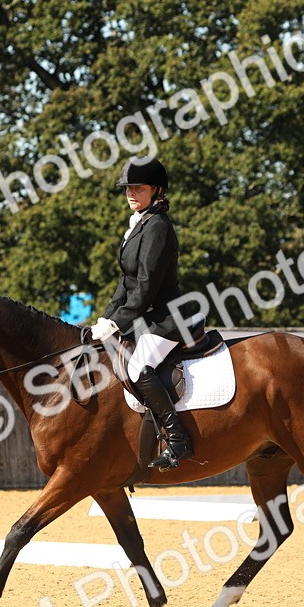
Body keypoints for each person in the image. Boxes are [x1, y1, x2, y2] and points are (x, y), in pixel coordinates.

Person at [90, 157, 194, 470]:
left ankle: (178, 441)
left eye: (139, 187)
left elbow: (147, 286)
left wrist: (118, 322)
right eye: (128, 188)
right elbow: (126, 282)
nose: (131, 193)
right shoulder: (140, 224)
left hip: (168, 319)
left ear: (156, 190)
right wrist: (105, 319)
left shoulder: (159, 227)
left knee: (137, 368)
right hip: (147, 318)